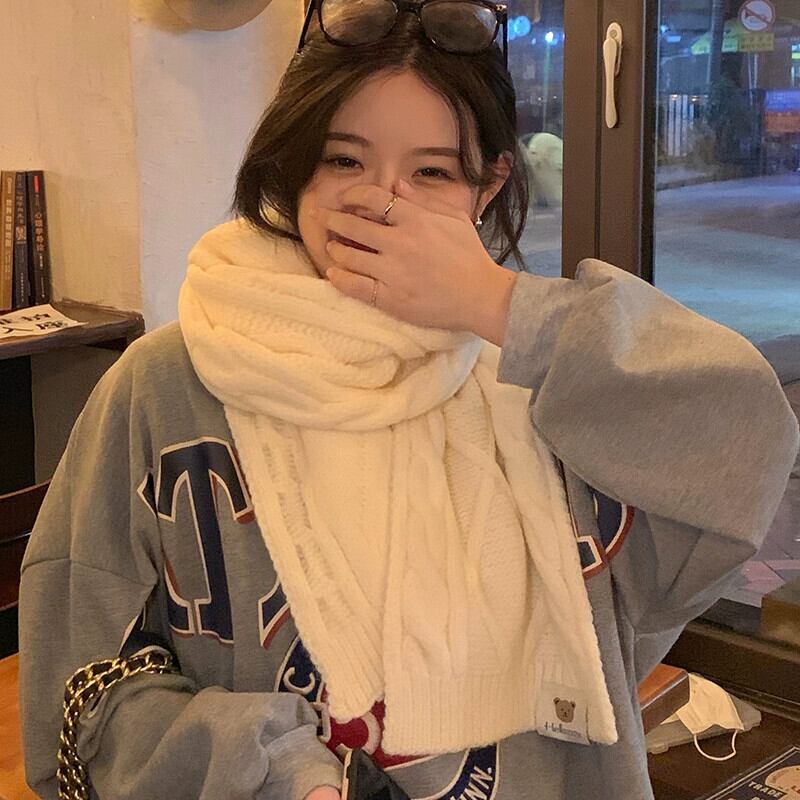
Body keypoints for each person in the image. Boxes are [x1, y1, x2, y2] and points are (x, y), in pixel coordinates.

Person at [19, 2, 798, 799]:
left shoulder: (550, 385)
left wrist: (496, 303)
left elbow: (749, 439)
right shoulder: (166, 387)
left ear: (488, 187)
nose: (381, 201)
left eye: (432, 173)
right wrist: (263, 767)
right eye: (343, 159)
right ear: (292, 166)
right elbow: (80, 695)